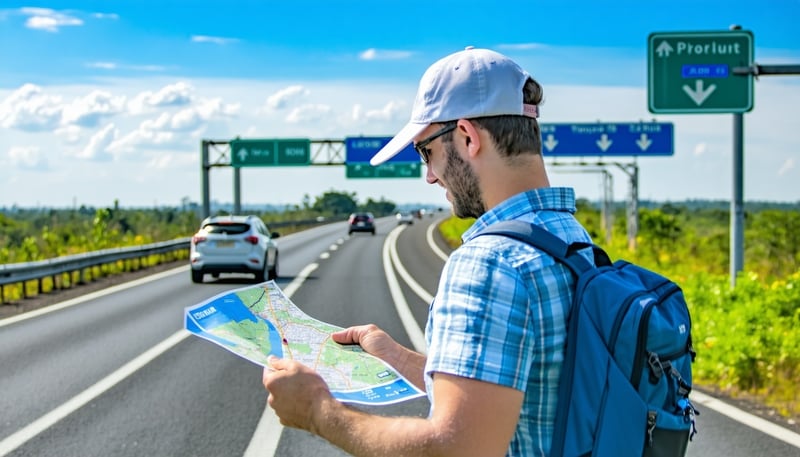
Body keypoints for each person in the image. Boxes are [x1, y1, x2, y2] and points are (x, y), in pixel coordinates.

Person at [262, 46, 594, 456]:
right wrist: (399, 360)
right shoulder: (573, 240)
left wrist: (316, 411)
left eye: (426, 151)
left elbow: (454, 449)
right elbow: (517, 393)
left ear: (468, 137)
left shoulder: (490, 264)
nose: (430, 176)